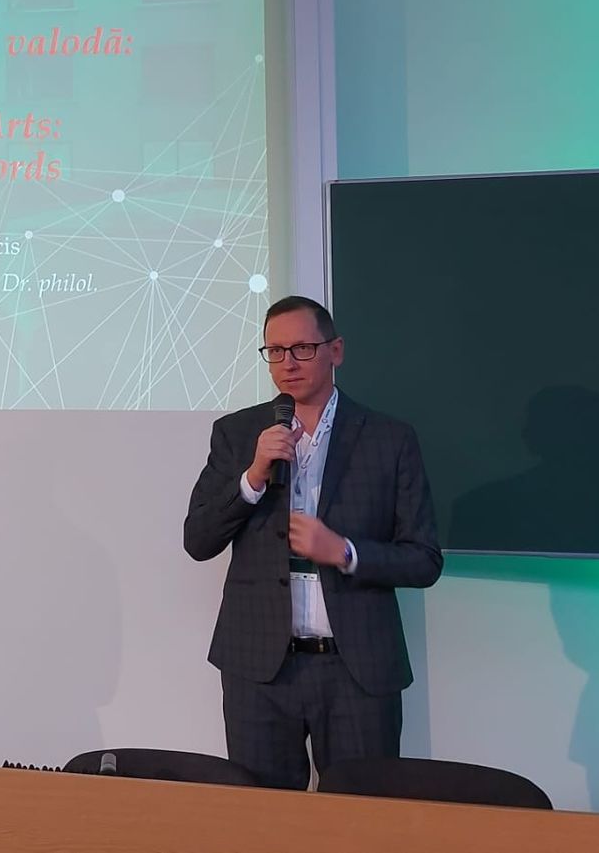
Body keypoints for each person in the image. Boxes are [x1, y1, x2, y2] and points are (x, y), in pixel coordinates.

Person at [182, 295, 442, 790]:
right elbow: (198, 540)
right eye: (275, 351)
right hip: (259, 669)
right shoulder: (238, 434)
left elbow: (424, 559)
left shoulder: (389, 439)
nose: (288, 363)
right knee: (263, 818)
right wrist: (253, 476)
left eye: (302, 348)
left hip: (356, 670)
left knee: (363, 814)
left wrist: (345, 552)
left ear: (335, 350)